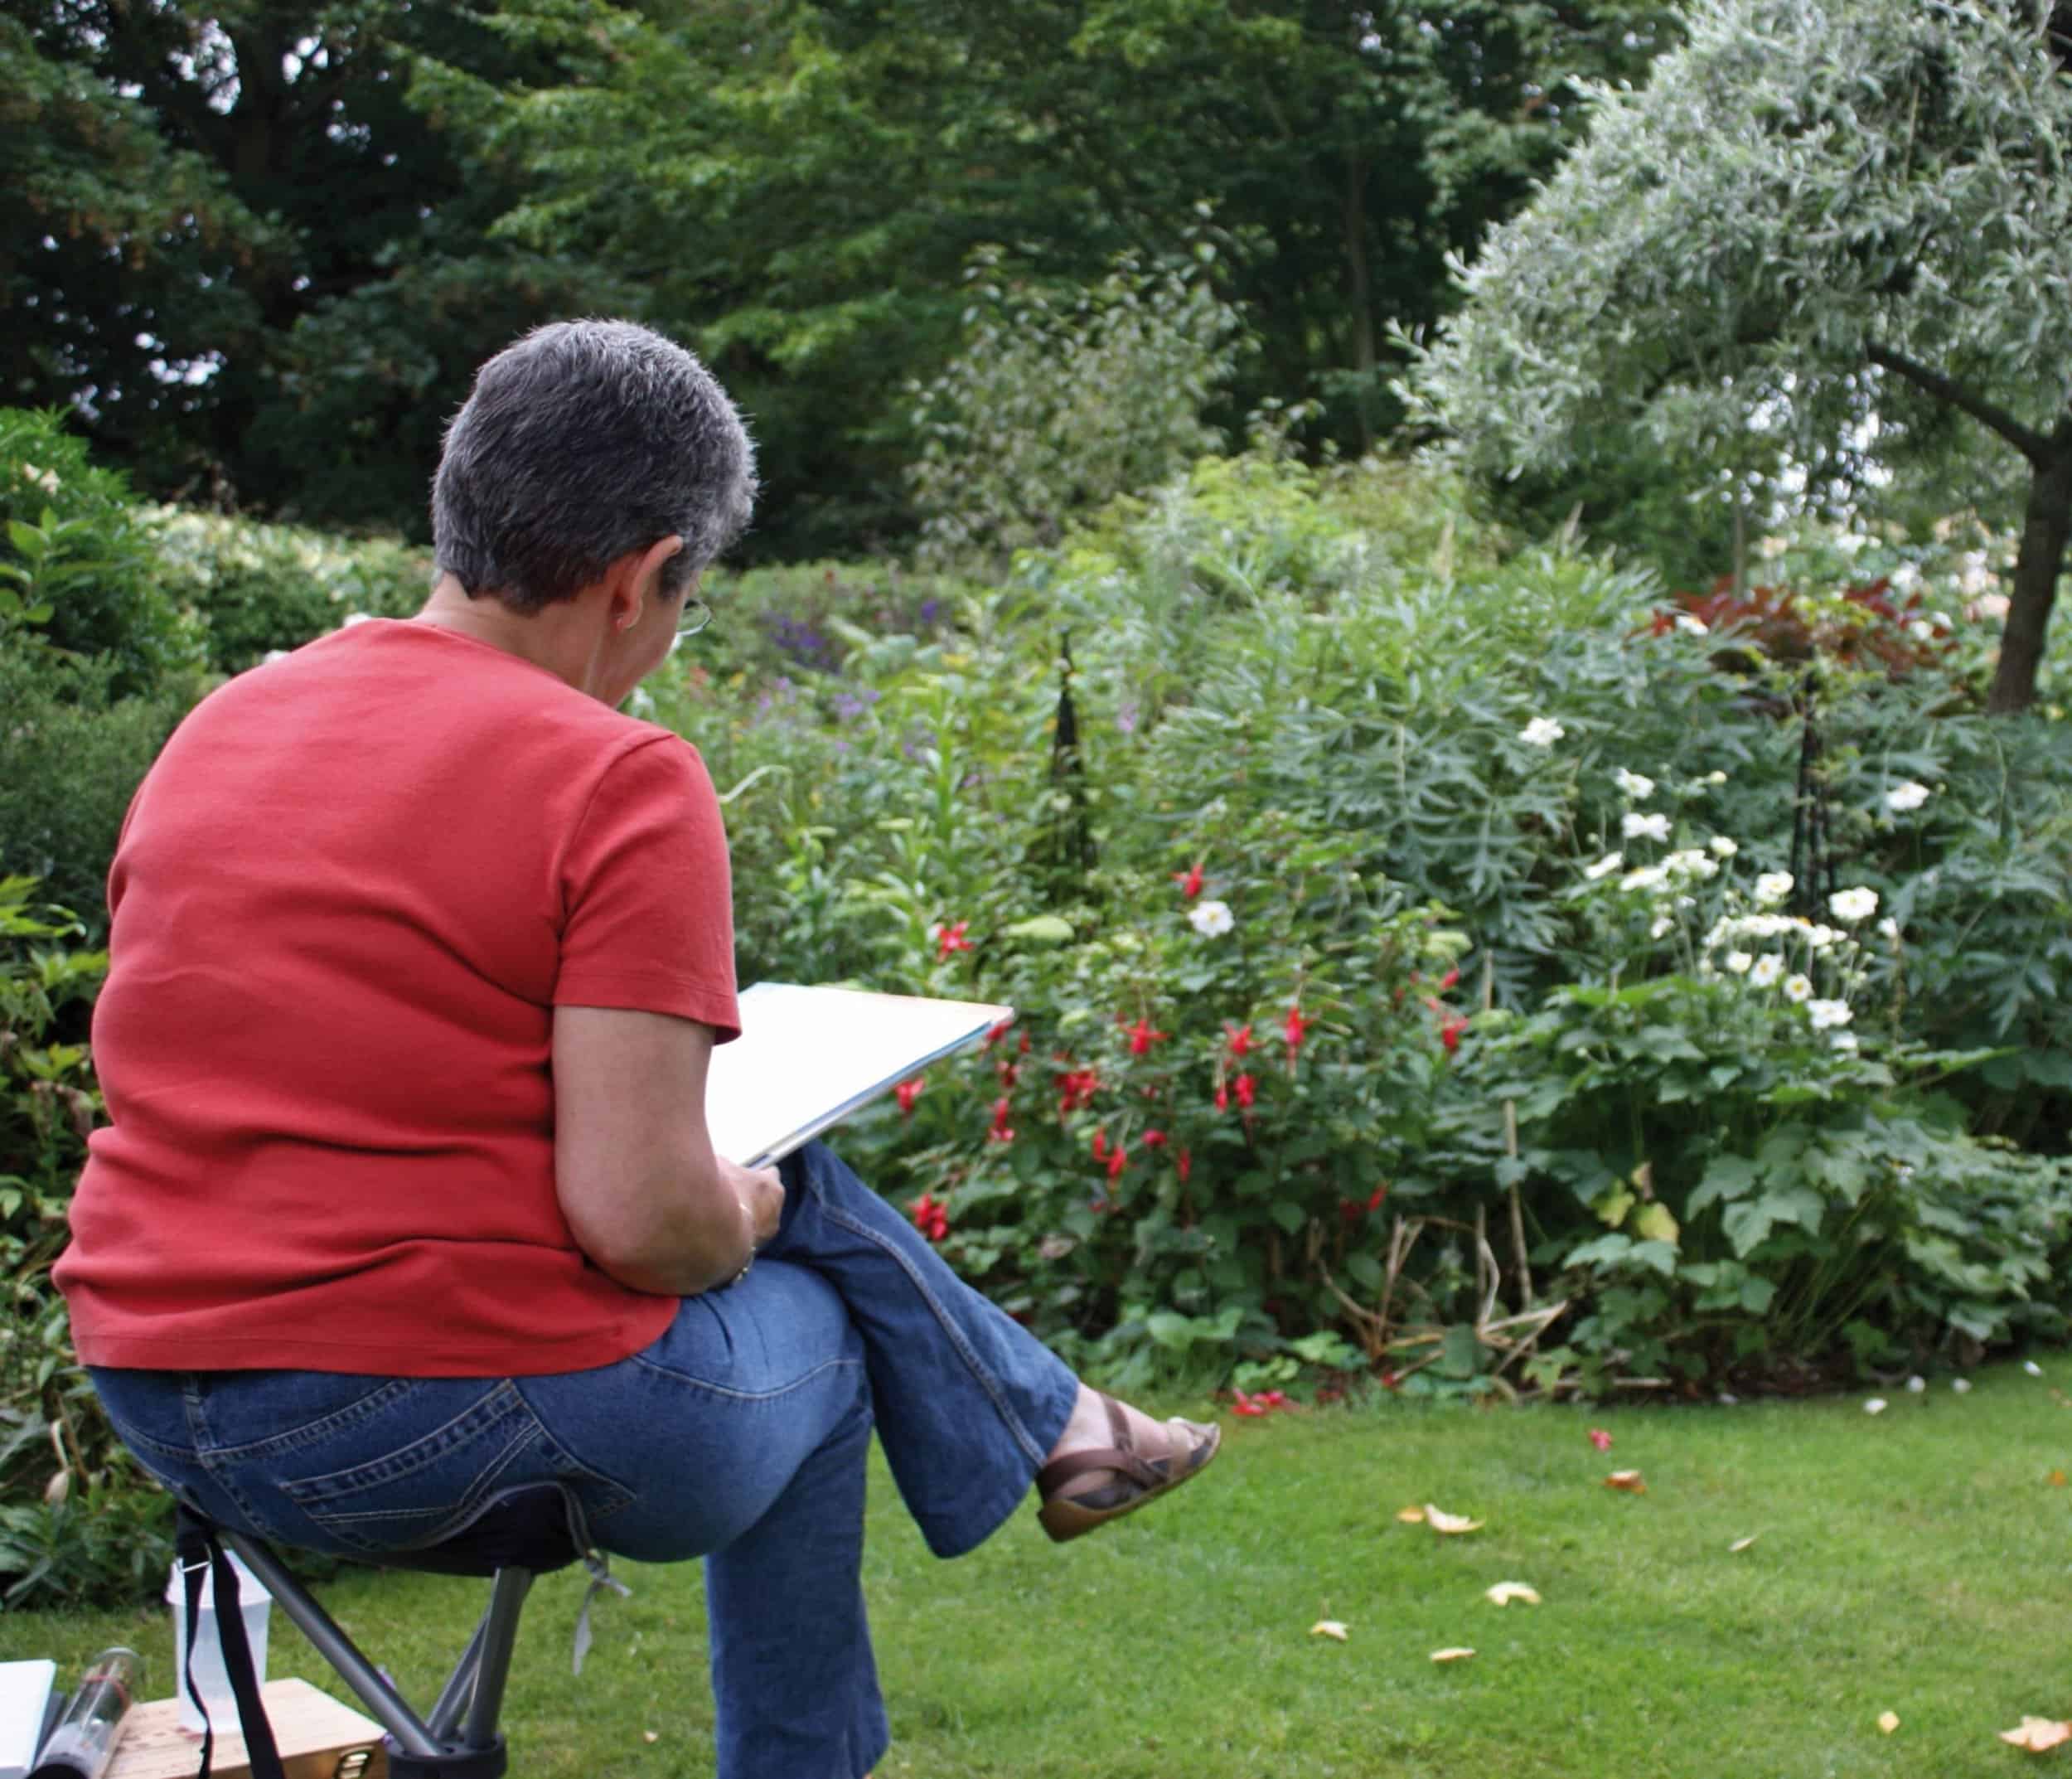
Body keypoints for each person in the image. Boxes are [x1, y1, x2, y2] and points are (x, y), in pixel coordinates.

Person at [54, 318, 1220, 1779]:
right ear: (637, 578)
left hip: (160, 1388)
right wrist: (751, 1201)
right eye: (684, 600)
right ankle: (1026, 1458)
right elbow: (643, 1220)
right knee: (823, 1295)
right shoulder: (616, 775)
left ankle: (1061, 1419)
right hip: (427, 1410)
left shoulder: (222, 728)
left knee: (784, 1192)